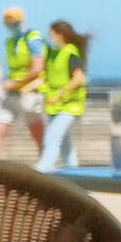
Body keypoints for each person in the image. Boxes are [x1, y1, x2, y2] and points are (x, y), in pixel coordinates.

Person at [0, 6, 47, 158]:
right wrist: (9, 83)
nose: (11, 25)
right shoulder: (10, 42)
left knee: (36, 131)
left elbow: (37, 68)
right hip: (11, 92)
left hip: (30, 91)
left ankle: (45, 161)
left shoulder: (33, 38)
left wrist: (16, 83)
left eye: (14, 22)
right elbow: (14, 69)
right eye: (8, 23)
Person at [35, 20, 90, 173]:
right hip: (54, 105)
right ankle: (74, 173)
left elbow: (78, 78)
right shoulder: (53, 54)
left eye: (51, 33)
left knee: (52, 137)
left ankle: (41, 171)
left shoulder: (70, 52)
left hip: (70, 104)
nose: (49, 37)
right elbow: (47, 78)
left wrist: (60, 94)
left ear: (60, 35)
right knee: (65, 142)